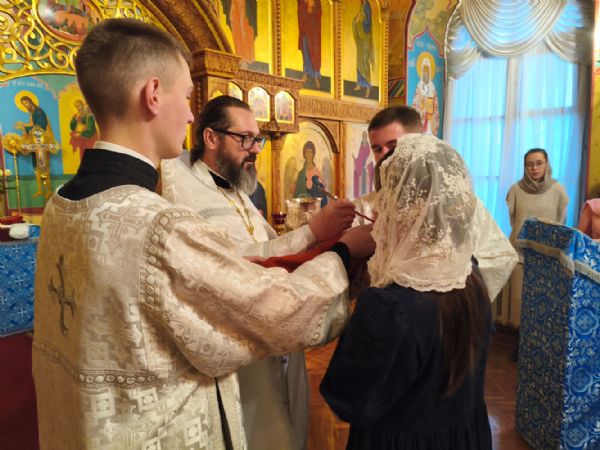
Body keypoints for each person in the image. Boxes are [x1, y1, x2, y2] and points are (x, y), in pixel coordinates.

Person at [32, 18, 375, 450]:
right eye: (186, 97)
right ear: (153, 94)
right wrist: (341, 255)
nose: (192, 114)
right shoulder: (159, 225)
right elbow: (270, 311)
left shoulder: (60, 205)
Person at [161, 95, 350, 449]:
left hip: (274, 328)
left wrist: (327, 240)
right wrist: (312, 232)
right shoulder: (180, 188)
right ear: (211, 137)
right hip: (237, 341)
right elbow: (232, 264)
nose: (256, 149)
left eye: (257, 139)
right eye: (245, 139)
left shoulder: (239, 188)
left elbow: (268, 248)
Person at [320, 134, 493, 450]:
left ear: (399, 210)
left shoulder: (389, 305)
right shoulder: (470, 274)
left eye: (383, 201)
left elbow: (348, 399)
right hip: (466, 436)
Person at [355, 105, 517, 303]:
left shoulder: (458, 206)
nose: (385, 155)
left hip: (449, 311)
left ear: (419, 142)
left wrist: (448, 275)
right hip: (384, 309)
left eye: (394, 146)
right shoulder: (364, 206)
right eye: (377, 149)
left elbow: (500, 256)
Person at [506, 148, 569, 331]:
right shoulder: (515, 190)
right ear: (525, 167)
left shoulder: (558, 190)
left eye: (539, 163)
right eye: (530, 164)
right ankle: (521, 341)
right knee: (520, 303)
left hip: (548, 257)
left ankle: (541, 342)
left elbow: (561, 221)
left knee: (545, 304)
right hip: (521, 256)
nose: (534, 168)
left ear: (547, 164)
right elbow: (513, 220)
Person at [411, 57, 439, 136]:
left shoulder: (433, 88)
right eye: (424, 70)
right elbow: (415, 106)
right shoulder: (419, 87)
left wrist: (431, 114)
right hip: (421, 118)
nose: (426, 72)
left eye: (427, 69)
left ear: (430, 71)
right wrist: (422, 108)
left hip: (430, 121)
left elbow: (436, 107)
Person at [298, 0, 322, 89]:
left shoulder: (316, 5)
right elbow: (300, 6)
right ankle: (306, 73)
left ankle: (316, 75)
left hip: (314, 34)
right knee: (305, 52)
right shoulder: (303, 5)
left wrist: (312, 8)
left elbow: (319, 12)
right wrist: (306, 6)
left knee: (314, 55)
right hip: (305, 32)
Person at [352, 0, 374, 98]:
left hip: (365, 38)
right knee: (359, 61)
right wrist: (355, 20)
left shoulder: (367, 7)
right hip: (360, 39)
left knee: (365, 61)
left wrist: (361, 20)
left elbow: (368, 24)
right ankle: (359, 84)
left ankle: (368, 86)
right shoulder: (362, 6)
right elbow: (357, 18)